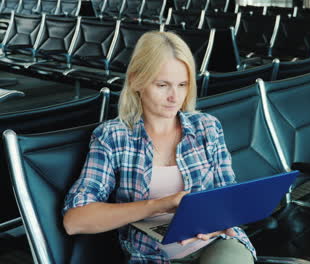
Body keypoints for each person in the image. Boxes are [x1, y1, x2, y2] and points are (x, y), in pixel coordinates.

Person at [62, 31, 256, 264]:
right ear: (136, 80)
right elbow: (75, 221)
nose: (175, 97)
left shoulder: (207, 127)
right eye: (163, 85)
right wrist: (159, 205)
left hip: (215, 244)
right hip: (150, 255)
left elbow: (228, 197)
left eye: (183, 85)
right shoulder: (112, 136)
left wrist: (217, 224)